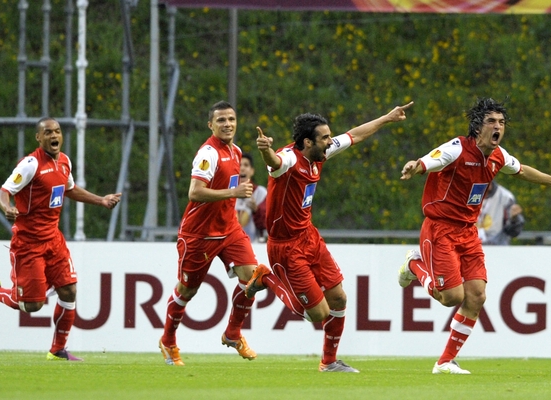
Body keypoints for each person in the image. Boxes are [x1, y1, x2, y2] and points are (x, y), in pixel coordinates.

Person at [397, 98, 551, 374]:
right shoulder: (457, 148)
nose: (498, 127)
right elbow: (433, 159)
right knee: (450, 296)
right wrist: (416, 165)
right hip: (441, 229)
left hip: (468, 232)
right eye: (492, 121)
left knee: (477, 296)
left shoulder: (498, 156)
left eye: (502, 122)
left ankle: (445, 361)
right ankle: (414, 264)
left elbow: (522, 171)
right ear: (477, 126)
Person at [244, 101, 414, 373]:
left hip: (309, 236)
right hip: (285, 247)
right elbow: (274, 163)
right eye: (324, 138)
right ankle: (265, 277)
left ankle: (329, 362)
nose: (330, 141)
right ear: (308, 142)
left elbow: (355, 135)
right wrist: (265, 152)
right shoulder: (288, 159)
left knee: (339, 299)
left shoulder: (318, 152)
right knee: (317, 314)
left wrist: (388, 118)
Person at [0, 117, 121, 361]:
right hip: (28, 244)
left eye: (58, 131)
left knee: (69, 290)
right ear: (39, 138)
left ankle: (58, 349)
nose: (54, 135)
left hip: (54, 239)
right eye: (48, 132)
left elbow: (69, 189)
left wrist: (100, 200)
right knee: (32, 306)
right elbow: (4, 192)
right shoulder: (30, 164)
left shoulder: (64, 162)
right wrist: (7, 207)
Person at [158, 101, 272, 366]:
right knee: (187, 291)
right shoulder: (208, 153)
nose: (227, 124)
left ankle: (233, 333)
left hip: (229, 230)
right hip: (199, 235)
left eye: (231, 119)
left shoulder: (236, 151)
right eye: (221, 120)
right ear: (211, 125)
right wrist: (233, 193)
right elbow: (194, 192)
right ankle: (168, 340)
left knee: (253, 278)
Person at [477, 180, 525, 245]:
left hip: (497, 249)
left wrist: (514, 220)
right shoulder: (464, 195)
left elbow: (514, 232)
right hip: (469, 250)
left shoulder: (505, 197)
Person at [235, 153, 268, 242]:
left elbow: (268, 225)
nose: (242, 168)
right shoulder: (227, 192)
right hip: (231, 246)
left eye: (246, 165)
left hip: (256, 245)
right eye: (239, 165)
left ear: (252, 171)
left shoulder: (261, 193)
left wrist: (256, 210)